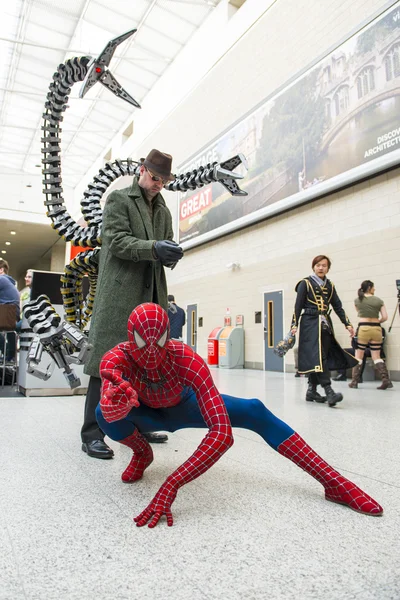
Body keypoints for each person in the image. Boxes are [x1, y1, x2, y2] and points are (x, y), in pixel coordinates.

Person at [95, 302, 383, 528]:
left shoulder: (186, 359)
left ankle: (333, 481)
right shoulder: (116, 360)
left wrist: (172, 483)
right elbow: (108, 408)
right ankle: (142, 454)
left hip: (184, 405)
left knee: (254, 411)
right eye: (142, 343)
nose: (151, 354)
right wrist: (115, 406)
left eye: (158, 342)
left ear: (168, 336)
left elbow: (222, 434)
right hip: (145, 411)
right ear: (129, 337)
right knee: (103, 414)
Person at [81, 149, 184, 459]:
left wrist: (171, 253)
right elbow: (117, 241)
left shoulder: (163, 210)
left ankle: (139, 424)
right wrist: (155, 248)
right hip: (120, 294)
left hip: (151, 294)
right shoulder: (118, 200)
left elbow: (163, 243)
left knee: (146, 362)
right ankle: (92, 433)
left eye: (164, 181)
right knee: (106, 363)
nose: (158, 185)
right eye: (155, 178)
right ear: (142, 170)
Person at [291, 255, 357, 407]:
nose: (321, 268)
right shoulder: (305, 283)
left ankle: (311, 390)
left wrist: (347, 324)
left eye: (324, 265)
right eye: (318, 265)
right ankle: (329, 391)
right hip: (309, 324)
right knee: (318, 357)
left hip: (325, 324)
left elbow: (338, 306)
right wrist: (293, 326)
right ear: (313, 266)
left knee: (321, 357)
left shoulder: (330, 285)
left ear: (328, 268)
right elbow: (297, 306)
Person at [349, 281, 393, 390]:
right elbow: (385, 317)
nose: (375, 289)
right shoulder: (379, 300)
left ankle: (354, 381)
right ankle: (385, 380)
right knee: (376, 356)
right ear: (369, 287)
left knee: (358, 356)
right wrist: (378, 320)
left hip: (364, 328)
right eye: (373, 287)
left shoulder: (357, 300)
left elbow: (359, 312)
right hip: (377, 328)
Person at [0, 259, 20, 362]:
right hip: (11, 312)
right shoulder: (9, 281)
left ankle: (7, 352)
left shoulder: (1, 279)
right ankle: (9, 353)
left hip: (7, 312)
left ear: (1, 270)